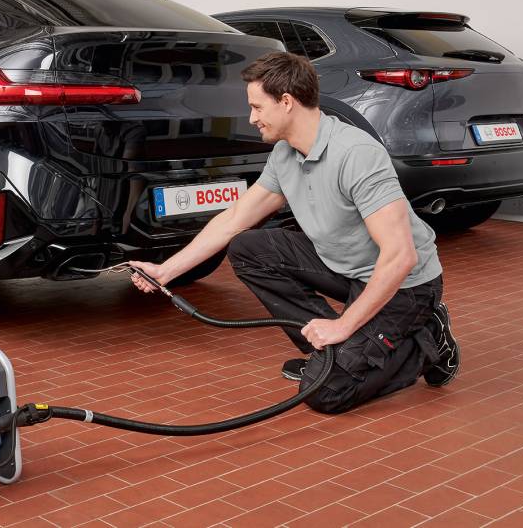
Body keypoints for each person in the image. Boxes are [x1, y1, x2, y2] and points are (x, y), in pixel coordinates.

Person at [129, 52, 460, 414]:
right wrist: (166, 270)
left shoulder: (356, 153)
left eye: (257, 107)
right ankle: (326, 353)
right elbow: (235, 218)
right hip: (347, 266)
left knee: (325, 393)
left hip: (407, 285)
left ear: (286, 102)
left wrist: (343, 325)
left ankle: (427, 342)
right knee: (248, 248)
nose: (252, 118)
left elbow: (401, 256)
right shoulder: (285, 154)